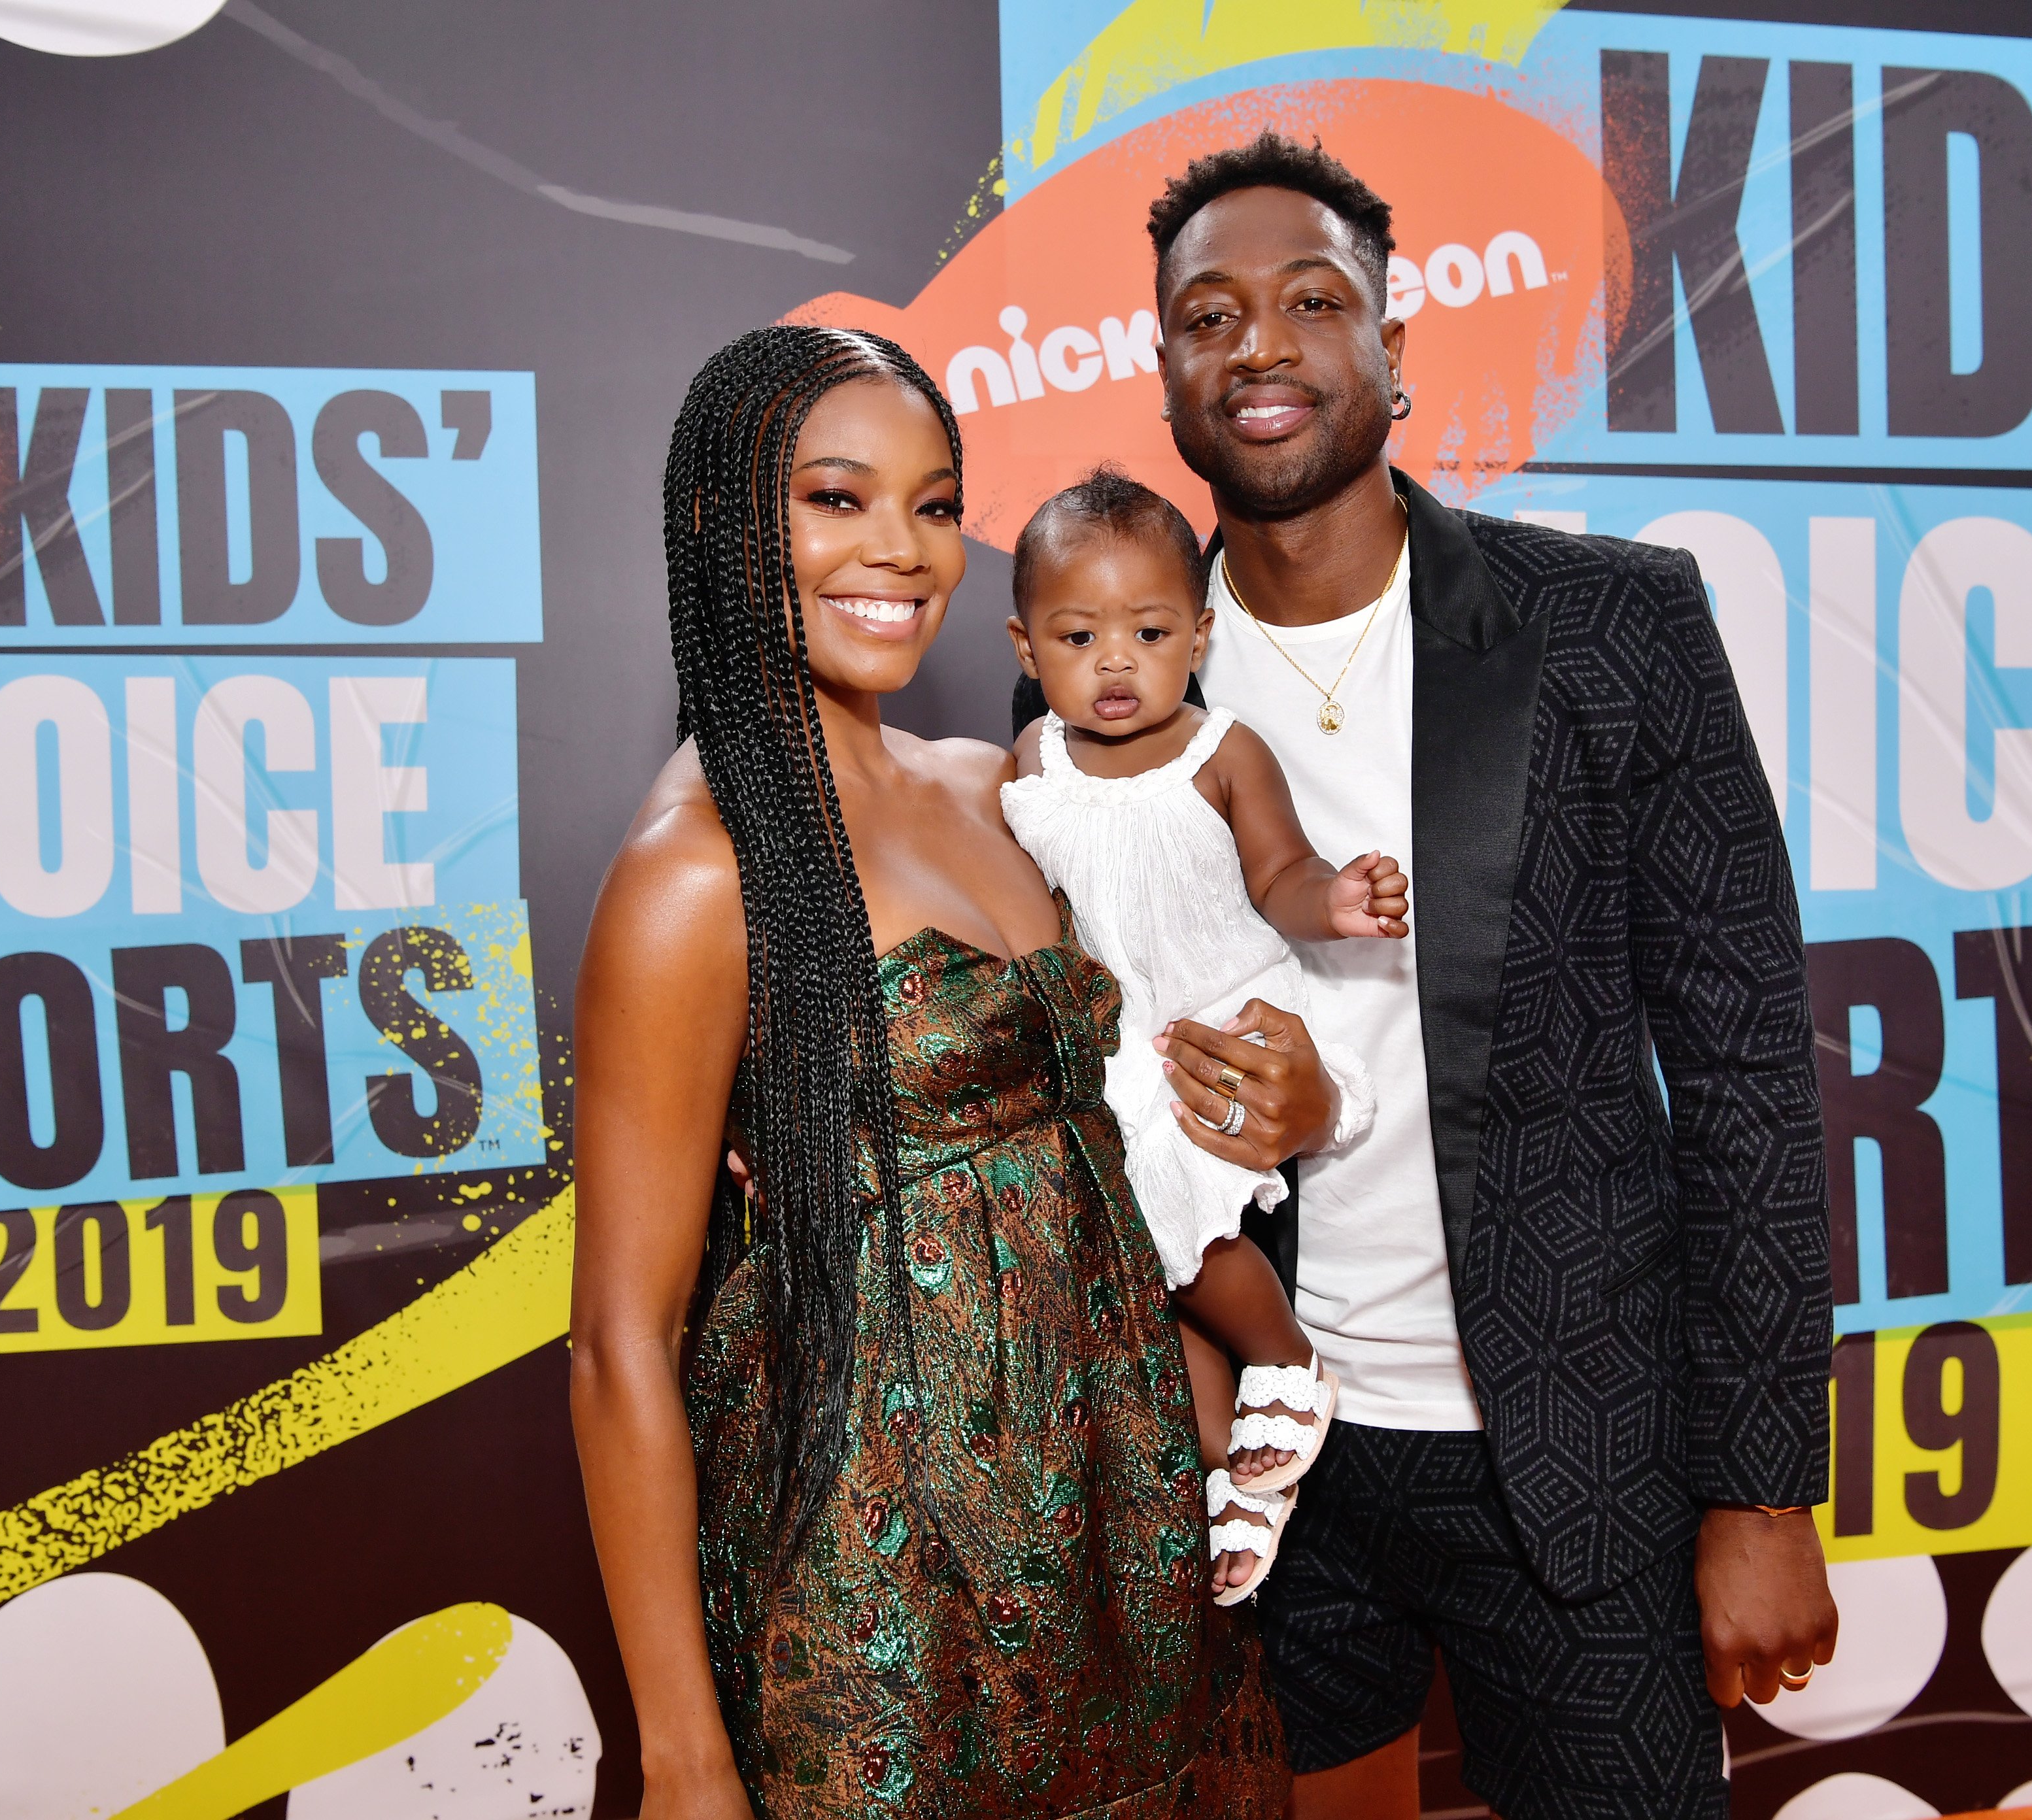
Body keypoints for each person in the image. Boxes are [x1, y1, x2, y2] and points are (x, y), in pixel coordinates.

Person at [1015, 137, 1840, 1819]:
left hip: (1584, 1458)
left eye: (1315, 302)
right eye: (1209, 314)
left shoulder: (1614, 623)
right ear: (1161, 368)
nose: (1261, 346)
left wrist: (1763, 1489)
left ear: (1398, 347)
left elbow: (1748, 1066)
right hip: (1265, 1458)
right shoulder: (1101, 671)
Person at [569, 324, 1292, 1819]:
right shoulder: (700, 872)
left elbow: (1143, 1062)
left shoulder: (994, 781)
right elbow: (616, 1346)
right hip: (877, 1580)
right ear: (722, 522)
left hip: (1113, 1516)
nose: (900, 550)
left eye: (936, 502)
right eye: (837, 499)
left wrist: (1294, 1102)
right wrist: (684, 1759)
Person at [998, 465, 1412, 1604]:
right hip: (1113, 1041)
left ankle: (1285, 1356)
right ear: (1029, 650)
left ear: (1201, 635)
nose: (1117, 661)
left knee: (1173, 1184)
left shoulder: (1221, 750)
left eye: (1150, 630)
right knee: (1121, 1256)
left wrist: (1335, 901)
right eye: (1081, 635)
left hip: (1218, 1024)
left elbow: (1280, 871)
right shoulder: (1031, 767)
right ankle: (1234, 1471)